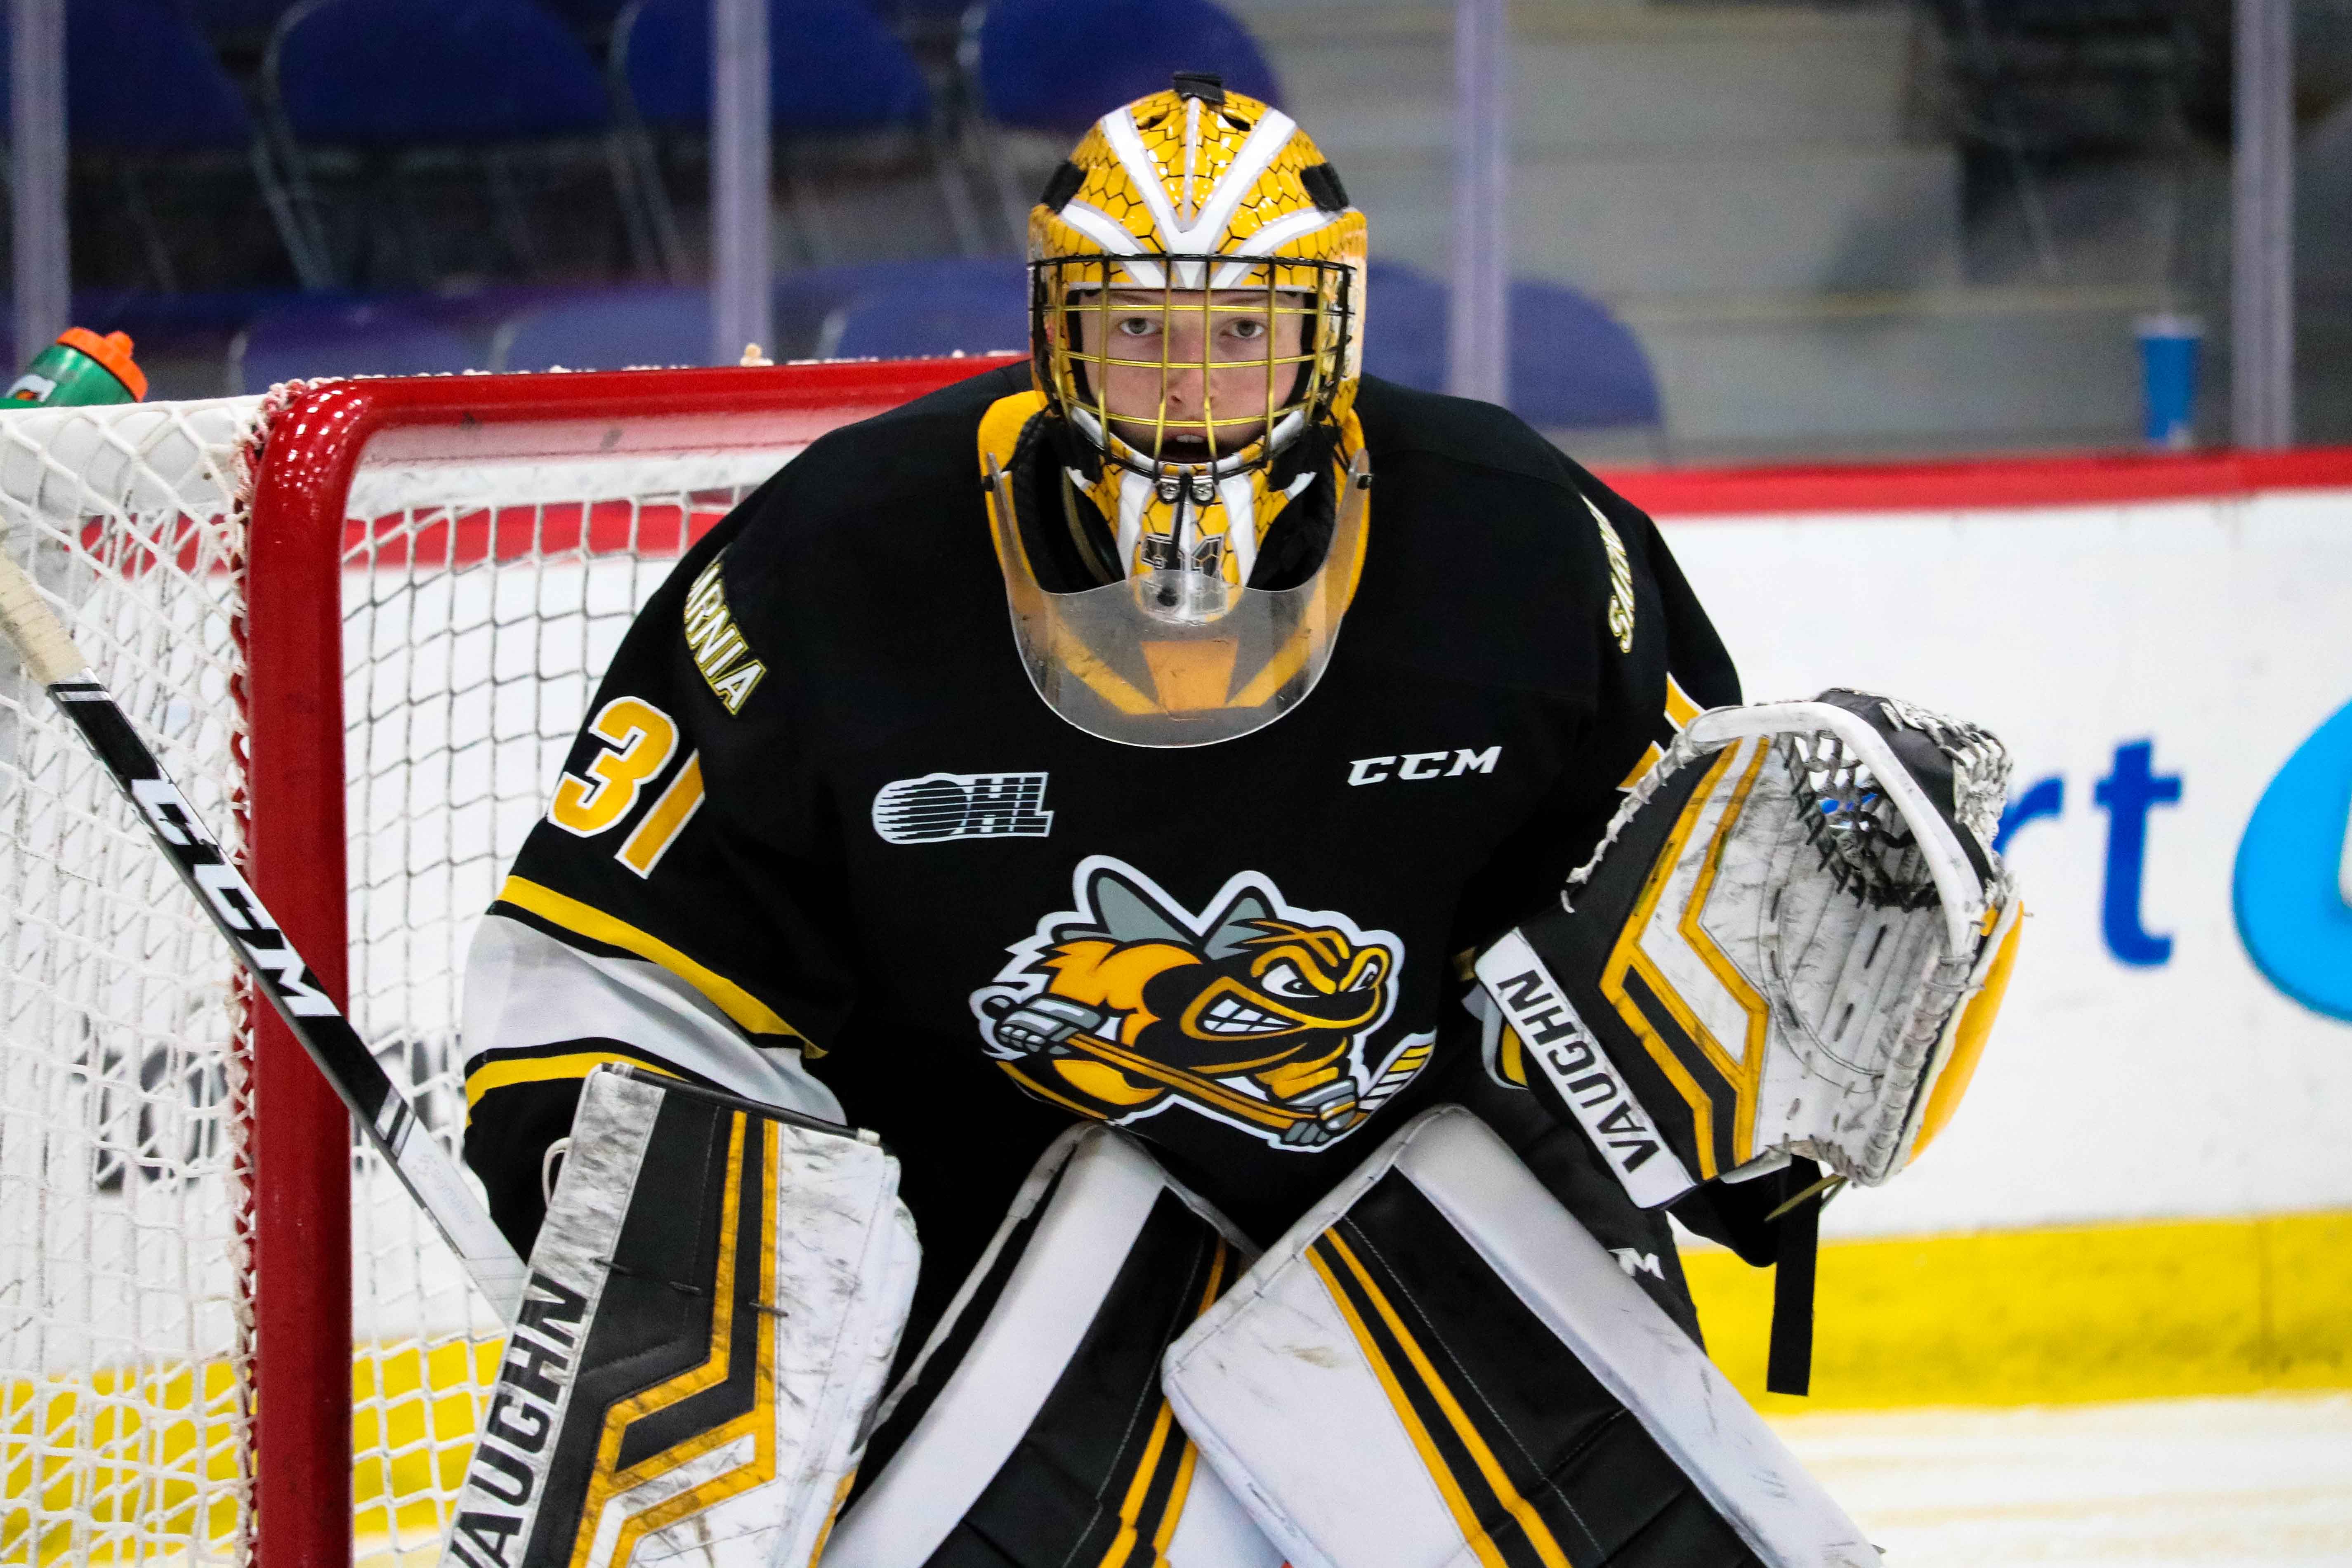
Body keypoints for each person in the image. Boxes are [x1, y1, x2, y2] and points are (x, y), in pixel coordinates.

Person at [459, 73, 1800, 1378]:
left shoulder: (1522, 540)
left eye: (1241, 333)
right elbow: (626, 956)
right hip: (972, 1267)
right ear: (1057, 329)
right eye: (1141, 329)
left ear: (1329, 338)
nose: (1188, 393)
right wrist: (615, 1207)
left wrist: (1768, 1093)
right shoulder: (842, 551)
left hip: (1420, 1217)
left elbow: (1669, 914)